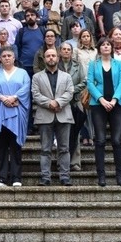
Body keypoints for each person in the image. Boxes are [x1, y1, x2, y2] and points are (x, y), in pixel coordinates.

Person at [0, 47, 31, 187]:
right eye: (4, 55)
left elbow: (25, 87)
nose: (6, 58)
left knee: (15, 144)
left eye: (9, 55)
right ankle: (2, 177)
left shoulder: (22, 73)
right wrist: (2, 98)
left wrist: (14, 97)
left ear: (14, 57)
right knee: (1, 145)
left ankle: (16, 177)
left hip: (16, 110)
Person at [87, 38, 121, 186]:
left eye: (108, 45)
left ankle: (120, 175)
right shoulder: (93, 64)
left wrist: (114, 100)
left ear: (111, 48)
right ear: (99, 48)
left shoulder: (119, 64)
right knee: (100, 140)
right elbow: (89, 83)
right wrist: (102, 99)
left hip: (117, 104)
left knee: (116, 140)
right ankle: (101, 176)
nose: (106, 47)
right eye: (103, 45)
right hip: (98, 105)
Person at [32, 48, 75, 187]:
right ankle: (45, 177)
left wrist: (58, 102)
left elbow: (70, 92)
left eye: (53, 55)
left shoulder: (66, 76)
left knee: (64, 148)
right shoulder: (37, 77)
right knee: (45, 148)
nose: (51, 58)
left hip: (63, 114)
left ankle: (65, 176)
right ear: (44, 59)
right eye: (48, 56)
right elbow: (35, 94)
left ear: (58, 58)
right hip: (45, 115)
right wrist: (49, 103)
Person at [57, 42, 86, 172]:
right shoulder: (56, 65)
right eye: (64, 49)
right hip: (60, 103)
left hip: (75, 101)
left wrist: (71, 90)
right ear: (60, 51)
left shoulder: (78, 65)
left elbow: (84, 81)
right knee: (61, 134)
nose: (66, 51)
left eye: (69, 49)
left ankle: (75, 162)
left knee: (76, 132)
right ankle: (61, 162)